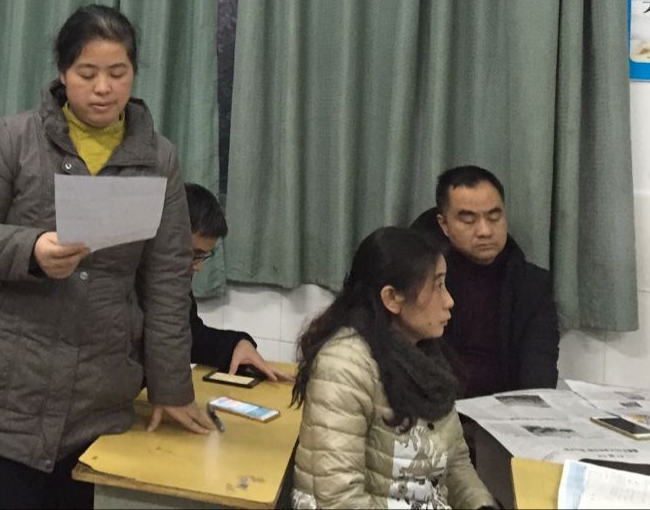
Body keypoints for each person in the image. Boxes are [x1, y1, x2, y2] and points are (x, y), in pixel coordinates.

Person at [0, 4, 210, 510]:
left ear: (134, 73)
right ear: (63, 73)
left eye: (117, 72)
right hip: (5, 391)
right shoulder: (14, 138)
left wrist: (171, 387)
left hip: (99, 399)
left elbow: (167, 279)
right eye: (87, 73)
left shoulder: (158, 159)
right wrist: (30, 250)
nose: (103, 88)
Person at [290, 226, 494, 510]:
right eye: (437, 286)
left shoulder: (426, 355)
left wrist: (482, 505)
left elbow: (456, 462)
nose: (449, 300)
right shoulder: (344, 366)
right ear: (392, 298)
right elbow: (338, 500)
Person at [411, 165, 558, 397]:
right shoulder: (420, 280)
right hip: (437, 408)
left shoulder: (532, 285)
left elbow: (540, 371)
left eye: (494, 217)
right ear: (444, 224)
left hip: (509, 412)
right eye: (468, 220)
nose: (485, 231)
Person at [184, 182, 290, 381]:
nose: (199, 267)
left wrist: (237, 344)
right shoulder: (128, 281)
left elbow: (189, 336)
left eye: (202, 256)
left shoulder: (178, 280)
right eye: (194, 254)